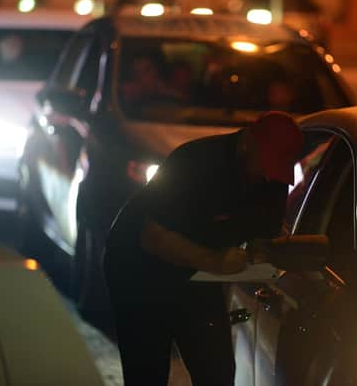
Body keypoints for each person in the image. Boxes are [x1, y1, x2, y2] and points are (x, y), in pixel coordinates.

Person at [103, 111, 304, 385]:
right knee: (147, 371)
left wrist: (261, 252)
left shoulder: (271, 177)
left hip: (197, 273)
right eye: (266, 166)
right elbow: (154, 237)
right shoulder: (195, 163)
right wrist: (217, 262)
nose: (268, 178)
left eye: (277, 169)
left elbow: (265, 232)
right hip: (138, 268)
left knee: (216, 369)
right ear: (247, 143)